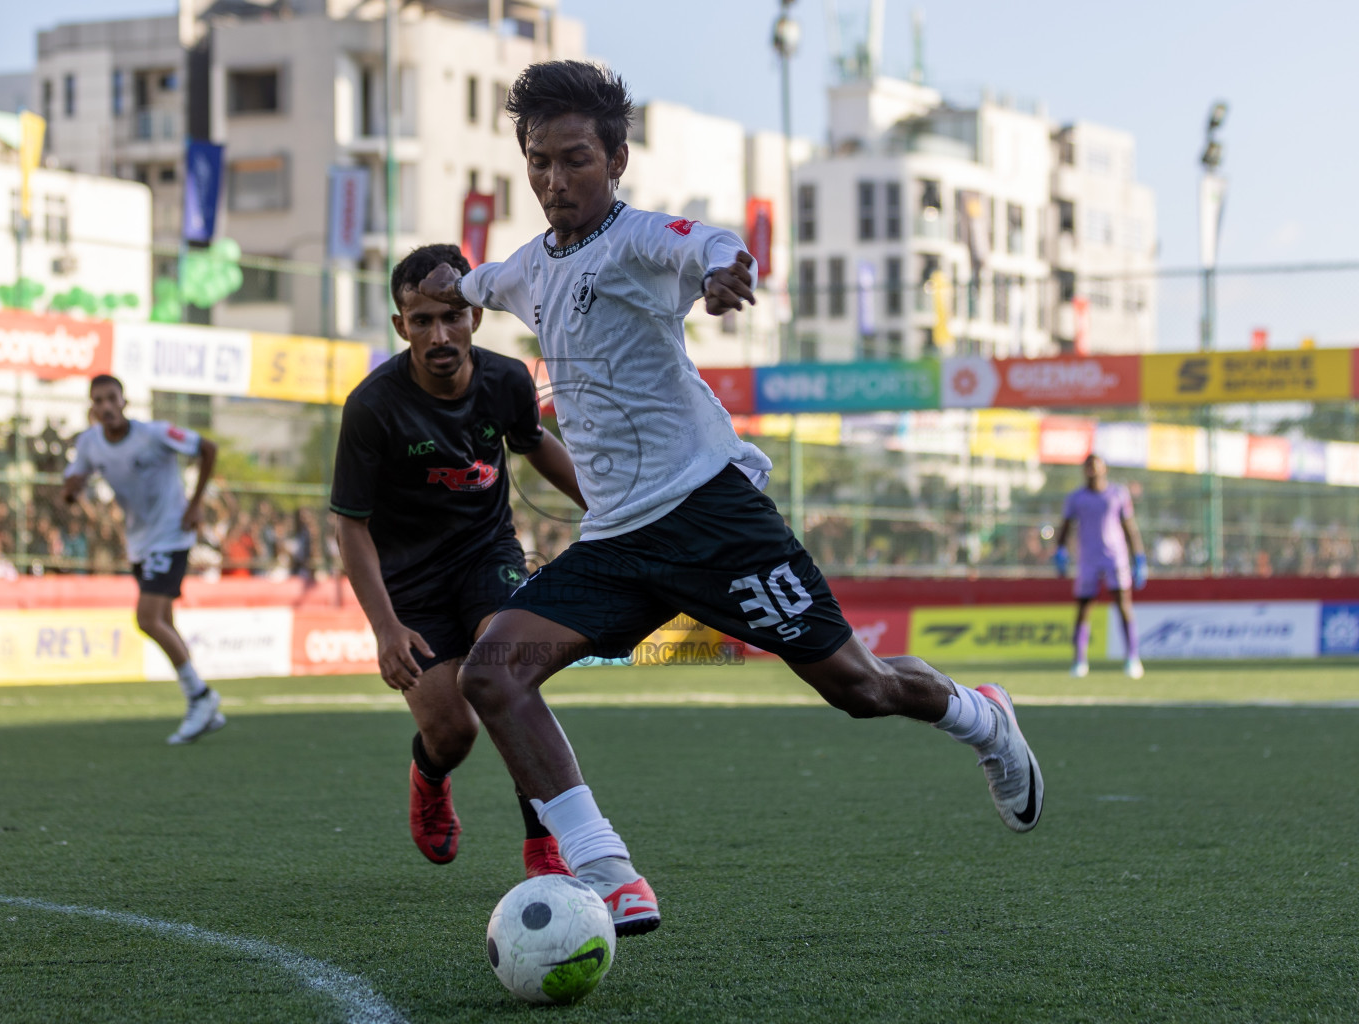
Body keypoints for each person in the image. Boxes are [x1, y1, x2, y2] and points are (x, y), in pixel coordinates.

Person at [417, 60, 1045, 937]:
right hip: (617, 545)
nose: (556, 180)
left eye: (575, 159)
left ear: (618, 159)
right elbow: (480, 283)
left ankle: (985, 720)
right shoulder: (527, 267)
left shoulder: (637, 241)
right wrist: (451, 288)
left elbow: (707, 242)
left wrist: (724, 275)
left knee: (859, 689)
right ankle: (608, 873)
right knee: (493, 670)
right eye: (539, 161)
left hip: (712, 517)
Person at [333, 243, 587, 878]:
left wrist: (611, 505)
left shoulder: (505, 380)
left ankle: (545, 843)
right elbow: (350, 525)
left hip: (488, 558)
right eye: (422, 320)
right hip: (409, 583)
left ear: (475, 313)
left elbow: (536, 446)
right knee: (455, 733)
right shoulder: (372, 407)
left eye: (452, 315)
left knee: (509, 678)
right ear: (401, 326)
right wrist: (386, 628)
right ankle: (429, 774)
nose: (439, 333)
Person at [62, 374, 224, 745]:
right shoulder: (89, 443)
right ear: (92, 408)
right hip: (139, 542)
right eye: (98, 401)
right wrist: (71, 491)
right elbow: (72, 483)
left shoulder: (155, 433)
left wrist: (196, 503)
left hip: (171, 534)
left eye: (111, 399)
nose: (105, 406)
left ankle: (201, 697)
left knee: (146, 619)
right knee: (163, 620)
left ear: (124, 402)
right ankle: (201, 703)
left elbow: (208, 448)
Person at [1053, 453, 1147, 679]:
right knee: (1084, 607)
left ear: (1104, 468)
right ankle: (1079, 660)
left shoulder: (1117, 494)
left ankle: (1132, 657)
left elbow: (1129, 527)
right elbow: (1066, 525)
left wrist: (1139, 557)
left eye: (1096, 465)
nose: (1092, 469)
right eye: (1088, 466)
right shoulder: (1076, 498)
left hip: (1115, 557)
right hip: (1088, 558)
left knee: (1123, 604)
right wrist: (1060, 550)